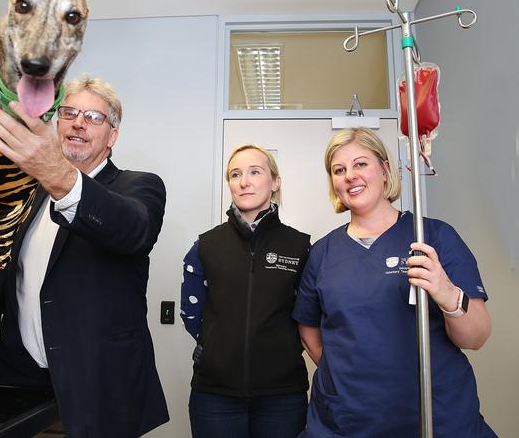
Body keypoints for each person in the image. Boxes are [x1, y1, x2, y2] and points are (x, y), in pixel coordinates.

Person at [0, 74, 170, 437]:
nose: (78, 123)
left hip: (100, 386)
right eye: (69, 112)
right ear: (57, 124)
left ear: (112, 136)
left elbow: (133, 230)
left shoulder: (139, 186)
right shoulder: (19, 199)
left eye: (94, 117)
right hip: (21, 384)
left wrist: (59, 175)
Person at [293, 127, 496, 437]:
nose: (350, 175)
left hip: (433, 417)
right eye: (339, 169)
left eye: (361, 164)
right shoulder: (322, 253)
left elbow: (477, 336)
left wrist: (447, 293)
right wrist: (352, 380)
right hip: (347, 421)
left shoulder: (433, 237)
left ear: (385, 170)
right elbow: (310, 335)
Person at [180, 144, 311, 438]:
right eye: (235, 174)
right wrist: (217, 349)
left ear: (275, 182)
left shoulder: (300, 246)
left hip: (282, 395)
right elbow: (191, 314)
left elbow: (309, 314)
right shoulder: (206, 245)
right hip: (215, 395)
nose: (244, 181)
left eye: (255, 171)